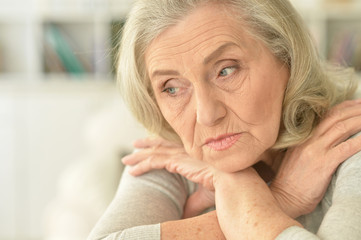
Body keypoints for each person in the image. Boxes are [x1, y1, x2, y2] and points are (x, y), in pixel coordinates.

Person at [88, 0, 361, 239]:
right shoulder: (171, 154)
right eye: (171, 88)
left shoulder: (348, 136)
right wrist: (280, 197)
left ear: (287, 57)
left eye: (226, 70)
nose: (206, 116)